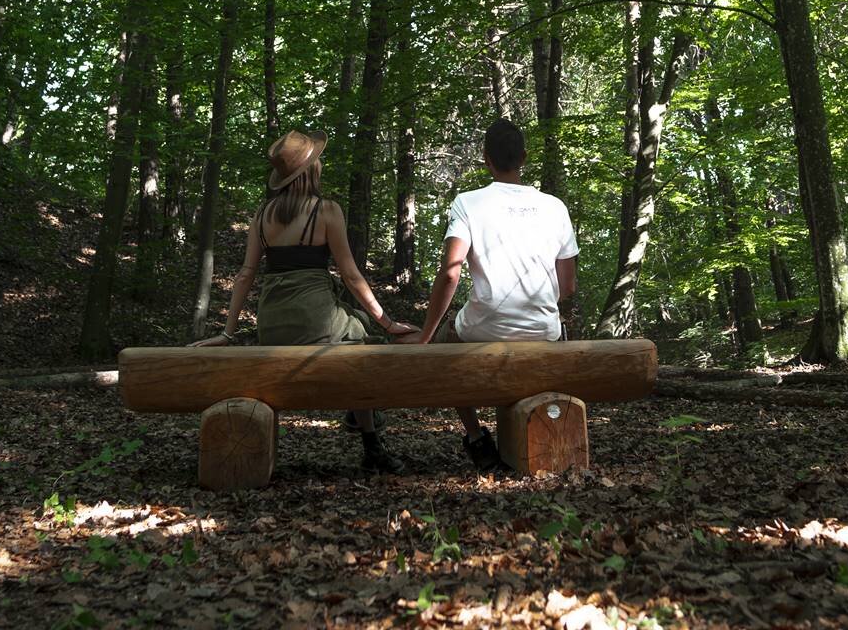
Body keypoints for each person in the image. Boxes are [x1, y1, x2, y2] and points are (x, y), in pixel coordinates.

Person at [192, 129, 416, 473]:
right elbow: (351, 276)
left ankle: (361, 419)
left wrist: (228, 332)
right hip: (316, 321)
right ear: (311, 170)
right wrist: (388, 321)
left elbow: (245, 275)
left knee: (355, 321)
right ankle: (372, 442)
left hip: (272, 324)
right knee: (363, 332)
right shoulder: (326, 211)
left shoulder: (262, 215)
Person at [414, 117, 579, 473]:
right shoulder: (555, 207)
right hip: (543, 333)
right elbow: (567, 287)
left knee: (445, 346)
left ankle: (476, 437)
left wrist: (425, 336)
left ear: (486, 159)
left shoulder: (468, 203)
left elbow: (450, 272)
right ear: (525, 156)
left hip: (482, 329)